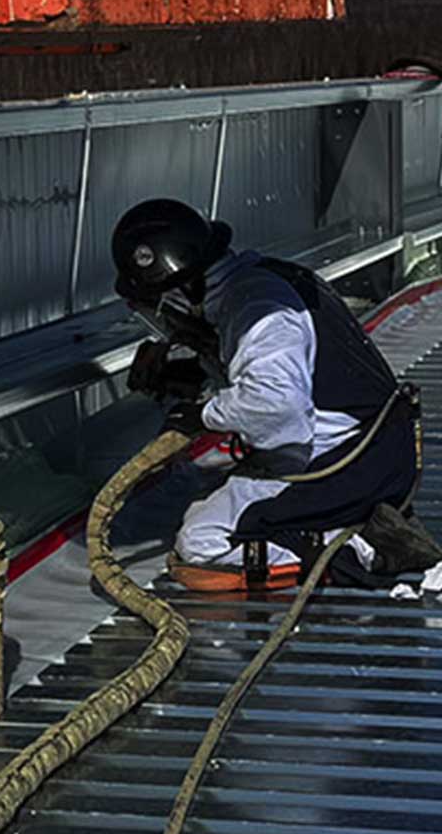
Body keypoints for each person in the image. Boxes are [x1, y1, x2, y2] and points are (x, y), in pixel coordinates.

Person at [111, 197, 421, 592]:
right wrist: (189, 372)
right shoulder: (256, 282)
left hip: (350, 462)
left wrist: (203, 414)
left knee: (200, 543)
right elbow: (274, 369)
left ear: (182, 290)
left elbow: (277, 404)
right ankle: (341, 518)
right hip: (376, 450)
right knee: (209, 503)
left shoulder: (258, 307)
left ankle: (359, 546)